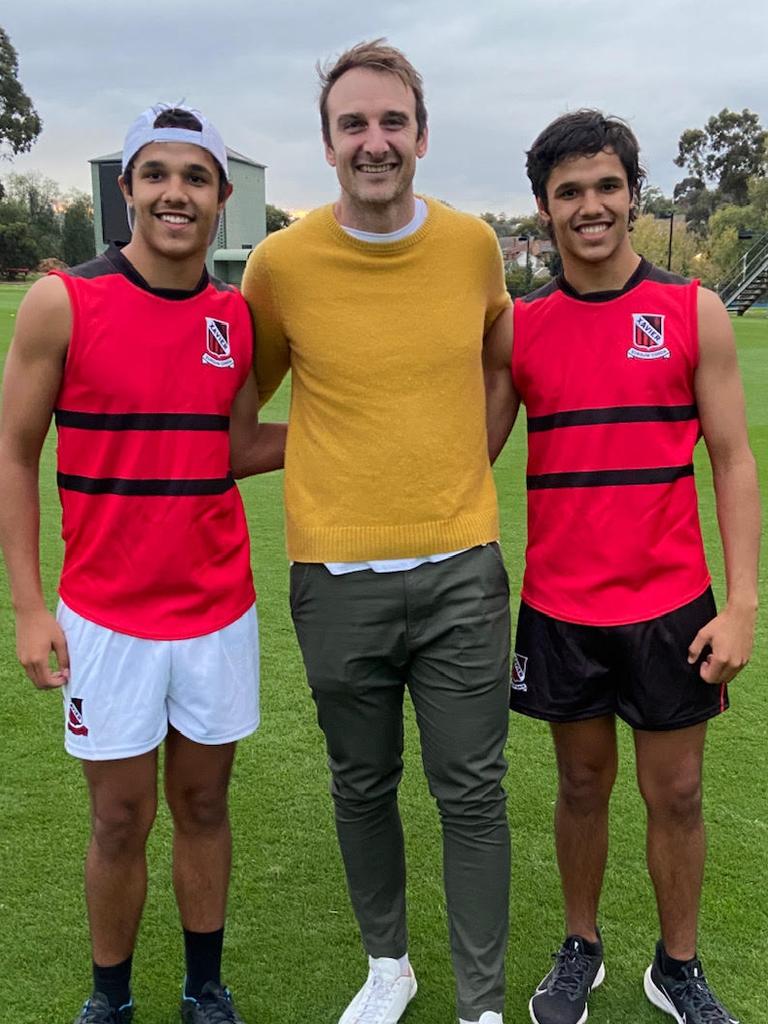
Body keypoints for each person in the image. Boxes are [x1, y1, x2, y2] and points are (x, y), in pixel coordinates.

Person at [241, 38, 512, 1024]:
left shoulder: (475, 246)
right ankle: (387, 965)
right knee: (363, 784)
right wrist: (328, 450)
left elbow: (499, 367)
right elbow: (240, 423)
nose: (375, 140)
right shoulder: (280, 263)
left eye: (392, 120)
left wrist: (456, 461)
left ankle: (481, 1001)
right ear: (327, 143)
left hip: (461, 572)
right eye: (353, 122)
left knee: (473, 793)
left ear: (422, 134)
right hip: (335, 575)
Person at [0, 104, 284, 1024]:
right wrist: (29, 607)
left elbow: (236, 444)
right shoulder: (64, 300)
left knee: (203, 805)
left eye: (195, 178)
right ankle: (110, 999)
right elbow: (14, 451)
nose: (175, 193)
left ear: (222, 198)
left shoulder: (233, 318)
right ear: (126, 191)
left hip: (216, 613)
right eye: (155, 175)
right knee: (120, 818)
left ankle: (205, 990)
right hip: (105, 618)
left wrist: (350, 434)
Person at [483, 109, 759, 1024]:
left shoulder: (691, 310)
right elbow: (465, 455)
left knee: (676, 792)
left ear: (633, 195)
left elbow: (732, 459)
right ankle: (581, 946)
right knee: (579, 785)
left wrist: (745, 602)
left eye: (606, 186)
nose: (590, 207)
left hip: (673, 606)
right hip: (562, 608)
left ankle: (676, 967)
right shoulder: (520, 329)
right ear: (543, 207)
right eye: (570, 192)